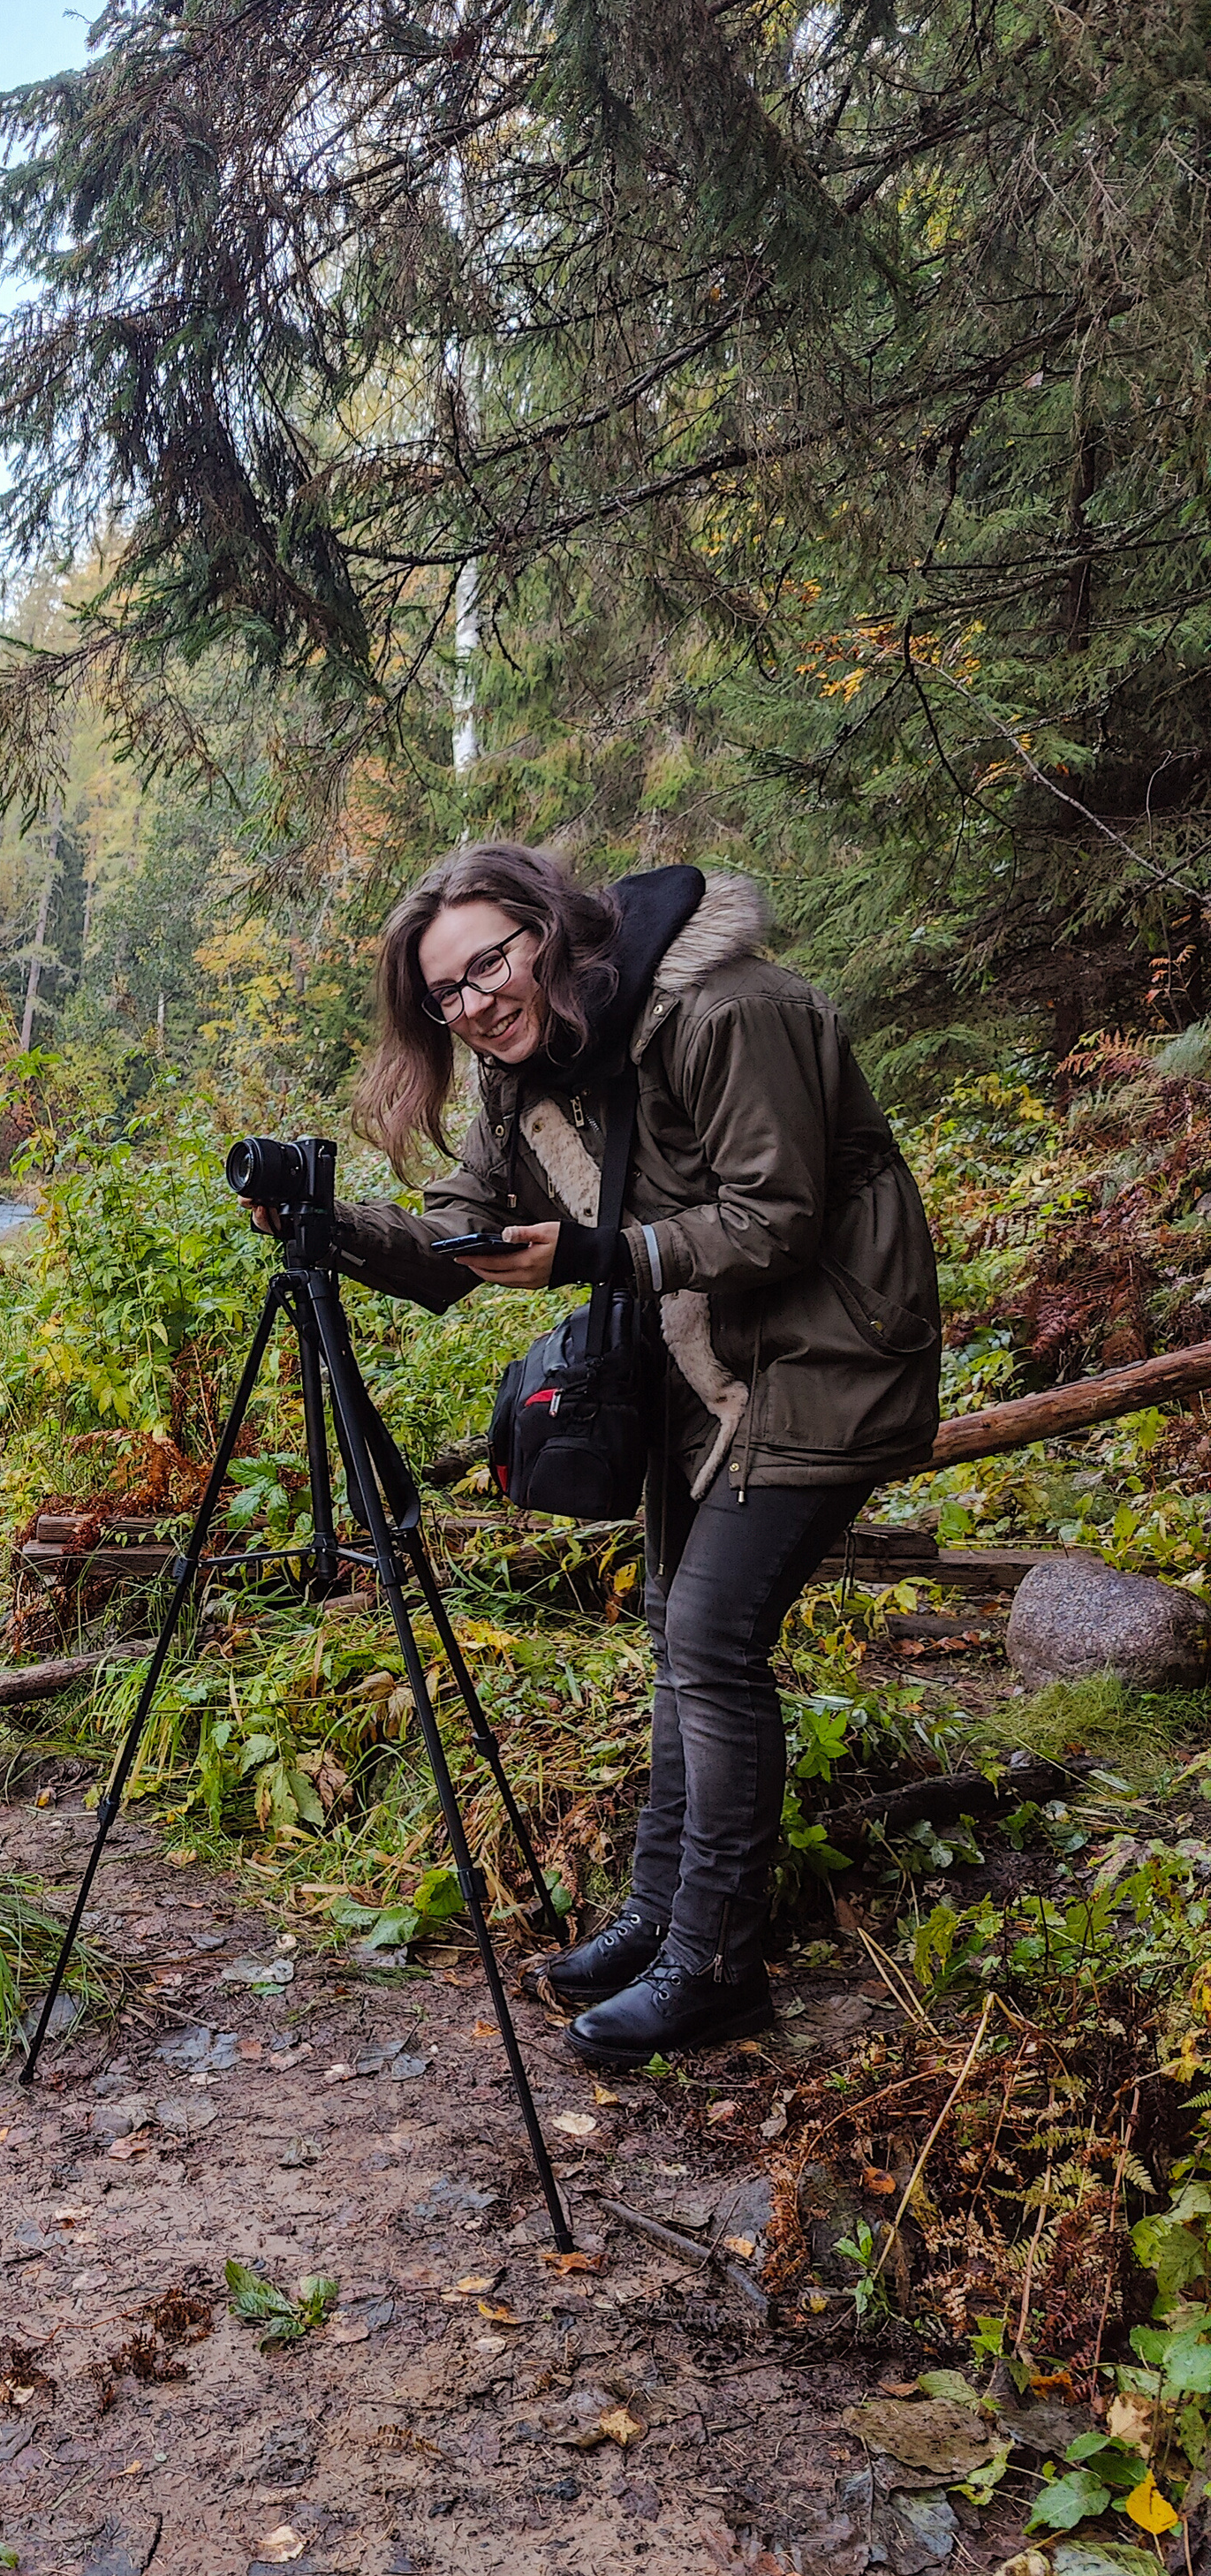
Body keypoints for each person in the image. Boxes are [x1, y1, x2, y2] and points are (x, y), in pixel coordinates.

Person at [261, 844, 941, 2067]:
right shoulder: (530, 1075)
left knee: (711, 1640)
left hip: (832, 1351)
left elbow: (778, 1217)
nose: (472, 1006)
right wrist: (330, 1226)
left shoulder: (732, 1011)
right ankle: (657, 1920)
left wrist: (597, 1259)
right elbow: (458, 1241)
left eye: (486, 966)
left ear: (552, 932)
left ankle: (714, 1964)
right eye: (444, 996)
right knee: (684, 1632)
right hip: (701, 1367)